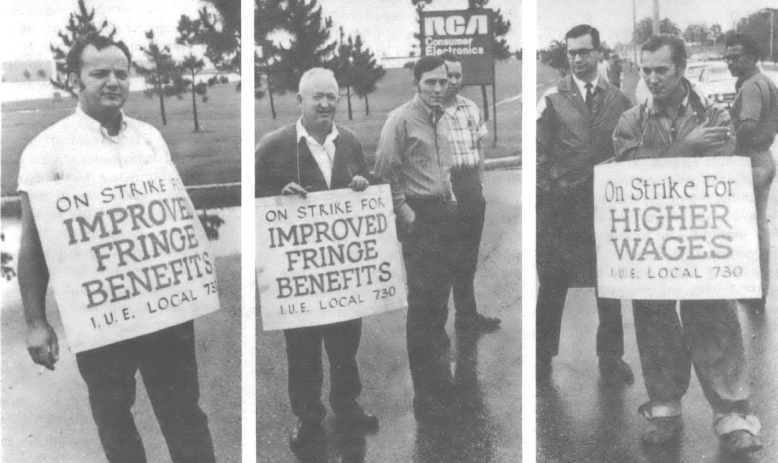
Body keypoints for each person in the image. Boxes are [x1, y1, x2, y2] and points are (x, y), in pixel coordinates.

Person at [17, 32, 215, 463]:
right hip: (101, 315)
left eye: (121, 73)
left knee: (184, 413)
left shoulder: (149, 139)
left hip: (164, 309)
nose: (113, 82)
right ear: (75, 80)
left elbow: (171, 219)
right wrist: (36, 321)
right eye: (99, 73)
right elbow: (33, 247)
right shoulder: (46, 149)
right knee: (115, 420)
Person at [613, 34, 763, 453]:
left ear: (681, 68)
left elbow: (720, 164)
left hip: (700, 240)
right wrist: (689, 147)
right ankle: (664, 410)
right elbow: (631, 175)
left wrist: (670, 155)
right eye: (647, 70)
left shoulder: (713, 113)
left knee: (716, 320)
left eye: (662, 70)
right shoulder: (631, 121)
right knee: (655, 323)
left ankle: (733, 417)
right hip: (653, 246)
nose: (653, 78)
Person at [255, 67, 379, 448]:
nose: (325, 104)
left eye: (332, 97)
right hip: (299, 277)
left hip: (342, 274)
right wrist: (278, 194)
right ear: (300, 101)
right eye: (317, 97)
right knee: (303, 349)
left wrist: (361, 185)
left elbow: (367, 189)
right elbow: (256, 205)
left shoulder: (351, 142)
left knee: (346, 343)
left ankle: (347, 403)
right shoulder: (273, 146)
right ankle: (308, 417)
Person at [536, 24, 634, 385]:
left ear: (598, 52)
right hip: (562, 207)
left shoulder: (620, 99)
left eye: (584, 51)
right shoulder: (551, 98)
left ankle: (611, 356)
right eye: (572, 52)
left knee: (609, 283)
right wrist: (550, 192)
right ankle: (541, 353)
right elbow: (538, 153)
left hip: (605, 207)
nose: (577, 58)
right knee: (552, 280)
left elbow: (631, 146)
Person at [373, 55, 459, 422]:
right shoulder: (400, 119)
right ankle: (424, 388)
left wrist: (452, 198)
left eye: (442, 82)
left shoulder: (442, 118)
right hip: (419, 217)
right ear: (416, 84)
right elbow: (384, 172)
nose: (438, 88)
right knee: (422, 307)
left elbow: (443, 168)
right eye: (430, 83)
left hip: (444, 215)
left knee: (440, 302)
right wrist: (407, 215)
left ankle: (440, 376)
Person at [439, 52, 501, 333]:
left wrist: (479, 184)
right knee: (444, 259)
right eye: (448, 75)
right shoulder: (432, 111)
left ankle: (467, 316)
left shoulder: (470, 107)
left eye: (457, 75)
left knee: (468, 256)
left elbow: (480, 150)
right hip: (443, 188)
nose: (453, 81)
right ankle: (437, 325)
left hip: (470, 187)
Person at [725, 33, 778, 312]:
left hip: (751, 160)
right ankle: (757, 288)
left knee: (752, 228)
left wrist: (725, 140)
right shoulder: (764, 81)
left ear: (752, 57)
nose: (730, 62)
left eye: (736, 56)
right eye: (727, 57)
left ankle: (755, 289)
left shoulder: (752, 86)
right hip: (763, 158)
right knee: (756, 226)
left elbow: (747, 124)